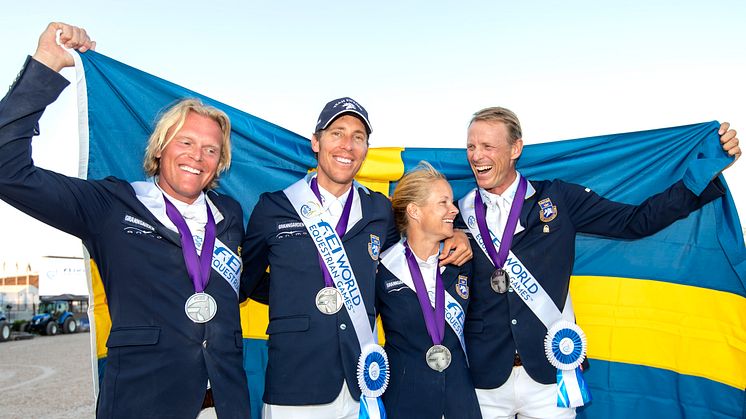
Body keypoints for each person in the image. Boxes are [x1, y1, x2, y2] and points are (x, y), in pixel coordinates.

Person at [0, 23, 251, 418]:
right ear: (162, 146)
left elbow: (240, 285)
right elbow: (7, 170)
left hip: (224, 402)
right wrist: (46, 65)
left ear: (220, 163)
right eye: (185, 142)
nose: (196, 156)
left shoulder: (229, 215)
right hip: (143, 402)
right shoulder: (112, 204)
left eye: (210, 149)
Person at [457, 107, 740, 419]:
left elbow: (635, 222)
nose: (476, 156)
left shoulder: (558, 198)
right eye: (471, 146)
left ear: (515, 149)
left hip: (550, 376)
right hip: (484, 379)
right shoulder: (458, 214)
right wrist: (446, 237)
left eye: (488, 146)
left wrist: (698, 178)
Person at [241, 98, 472, 419]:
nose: (347, 145)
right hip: (294, 382)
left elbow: (419, 241)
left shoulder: (379, 210)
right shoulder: (274, 207)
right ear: (316, 141)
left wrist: (459, 232)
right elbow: (243, 282)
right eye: (337, 133)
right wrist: (293, 298)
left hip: (364, 381)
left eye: (358, 137)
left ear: (365, 149)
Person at [376, 162, 482, 419]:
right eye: (443, 203)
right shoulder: (383, 268)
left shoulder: (464, 261)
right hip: (404, 401)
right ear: (414, 211)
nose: (454, 209)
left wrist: (461, 234)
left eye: (452, 202)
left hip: (461, 400)